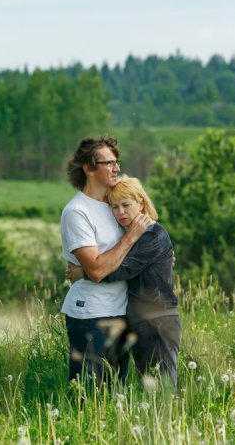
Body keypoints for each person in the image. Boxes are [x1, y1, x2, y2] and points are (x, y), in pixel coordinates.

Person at [69, 176, 181, 386]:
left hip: (158, 321)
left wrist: (81, 272)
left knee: (162, 392)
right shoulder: (133, 235)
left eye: (126, 205)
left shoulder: (152, 235)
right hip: (140, 321)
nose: (120, 212)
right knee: (148, 389)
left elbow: (121, 269)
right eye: (114, 207)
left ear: (141, 203)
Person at [60, 136, 152, 387]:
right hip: (91, 316)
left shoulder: (116, 204)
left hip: (122, 313)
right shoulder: (77, 212)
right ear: (88, 169)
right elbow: (98, 269)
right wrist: (132, 237)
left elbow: (144, 252)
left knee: (115, 397)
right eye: (108, 163)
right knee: (87, 398)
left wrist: (159, 257)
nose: (117, 168)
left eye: (117, 162)